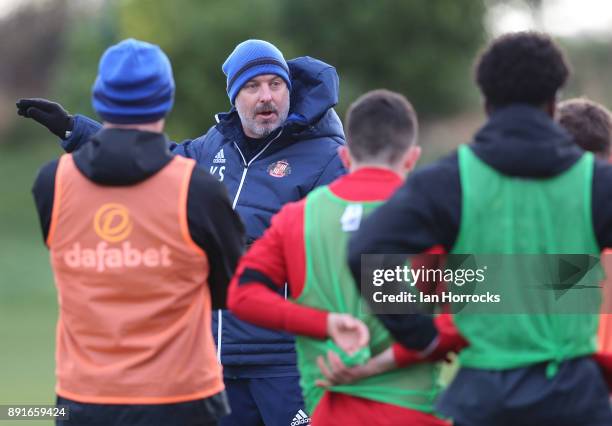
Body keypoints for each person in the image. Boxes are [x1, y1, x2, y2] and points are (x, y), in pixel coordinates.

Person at [17, 39, 345, 426]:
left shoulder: (327, 156)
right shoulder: (215, 146)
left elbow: (344, 250)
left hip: (285, 364)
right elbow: (154, 162)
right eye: (252, 87)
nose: (266, 96)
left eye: (276, 84)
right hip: (214, 364)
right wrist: (75, 130)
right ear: (234, 96)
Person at [347, 32, 612, 426]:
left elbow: (364, 250)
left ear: (486, 102)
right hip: (572, 397)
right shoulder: (598, 182)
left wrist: (421, 336)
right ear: (555, 102)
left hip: (484, 400)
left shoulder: (448, 180)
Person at [27, 39, 245, 426]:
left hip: (82, 400)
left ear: (100, 98)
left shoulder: (52, 183)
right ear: (166, 99)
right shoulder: (198, 188)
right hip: (182, 400)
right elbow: (229, 290)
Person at [227, 89, 459, 425]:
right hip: (414, 414)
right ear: (411, 158)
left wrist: (324, 325)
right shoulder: (439, 218)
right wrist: (384, 360)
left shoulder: (296, 218)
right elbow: (462, 324)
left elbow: (243, 295)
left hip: (329, 412)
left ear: (346, 157)